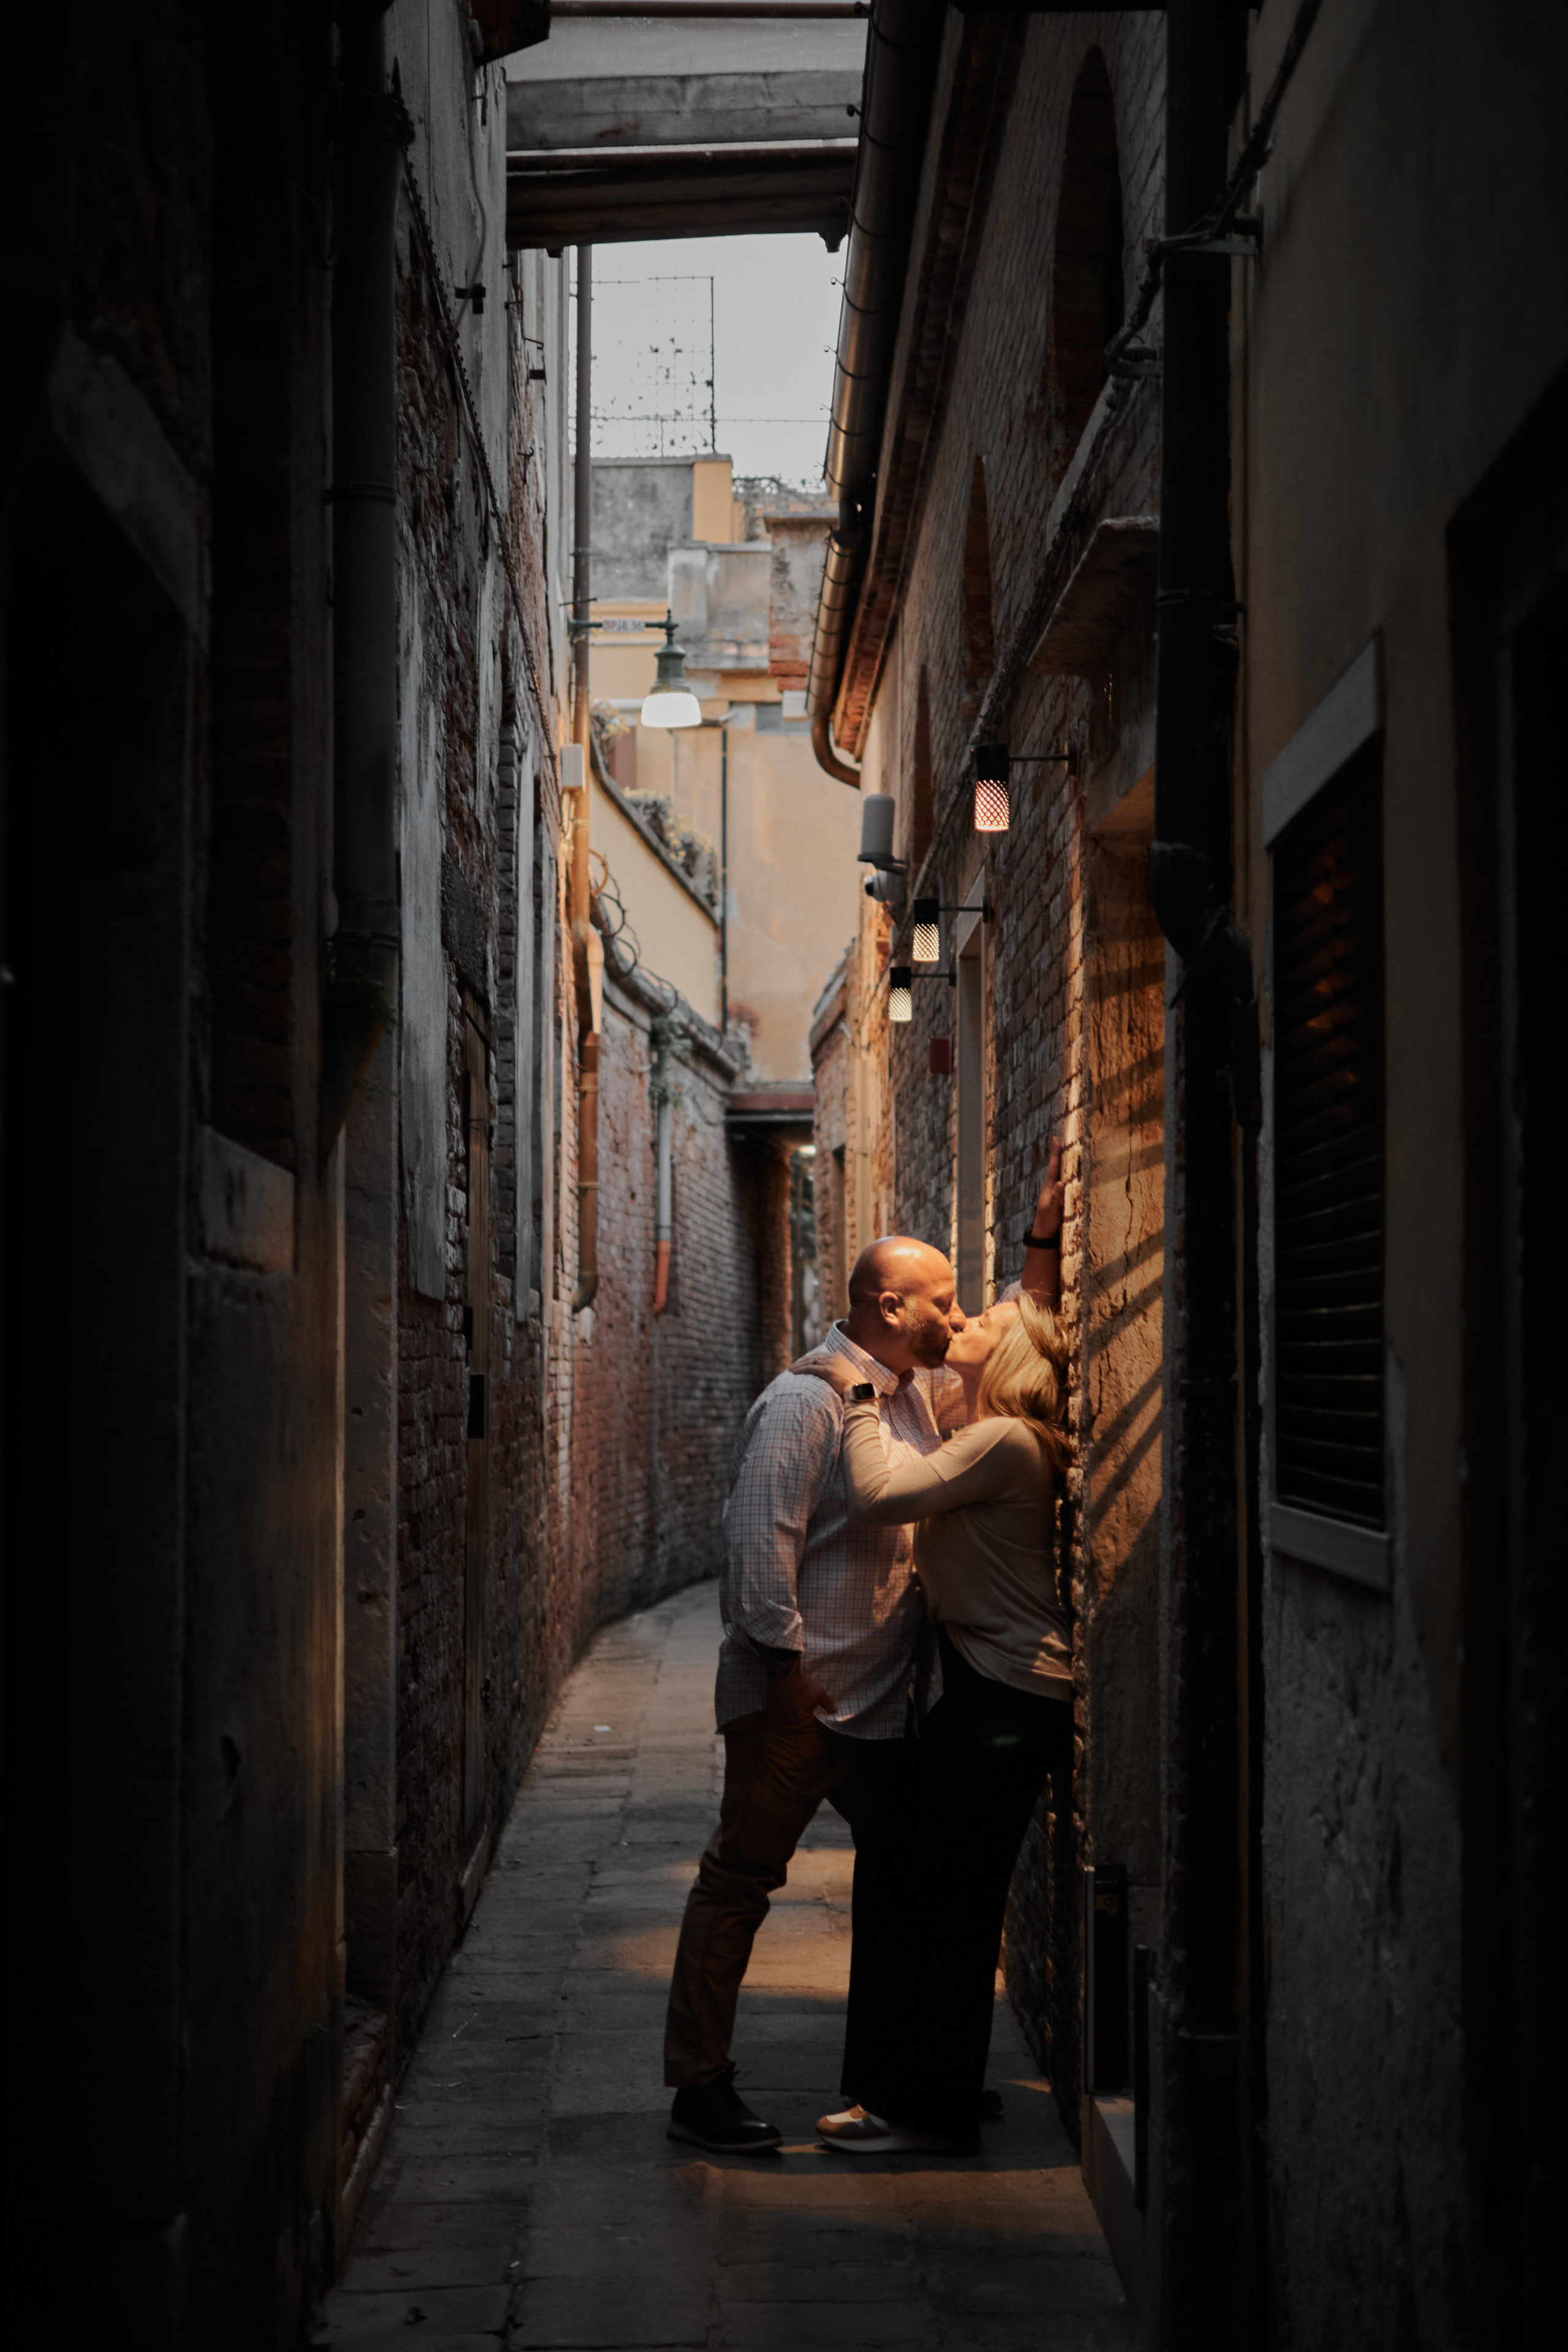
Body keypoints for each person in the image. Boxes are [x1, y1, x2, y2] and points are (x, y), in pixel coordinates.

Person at [791, 1146, 1071, 2154]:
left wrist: (857, 1386)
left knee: (931, 1890)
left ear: (1008, 1357)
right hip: (995, 1697)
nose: (961, 1320)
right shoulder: (988, 1424)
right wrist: (1040, 1238)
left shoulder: (999, 1443)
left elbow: (874, 1493)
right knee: (930, 1885)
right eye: (952, 1309)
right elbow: (1032, 1306)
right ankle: (928, 2087)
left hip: (1004, 1700)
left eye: (974, 1319)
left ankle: (920, 2107)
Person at [662, 1234, 967, 2155]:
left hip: (882, 1706)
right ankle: (699, 2090)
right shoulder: (805, 1402)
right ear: (889, 1308)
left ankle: (901, 2077)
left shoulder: (912, 1396)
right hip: (800, 1701)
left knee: (911, 1884)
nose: (957, 1318)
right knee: (740, 1880)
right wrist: (785, 1677)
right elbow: (761, 1543)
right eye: (944, 1302)